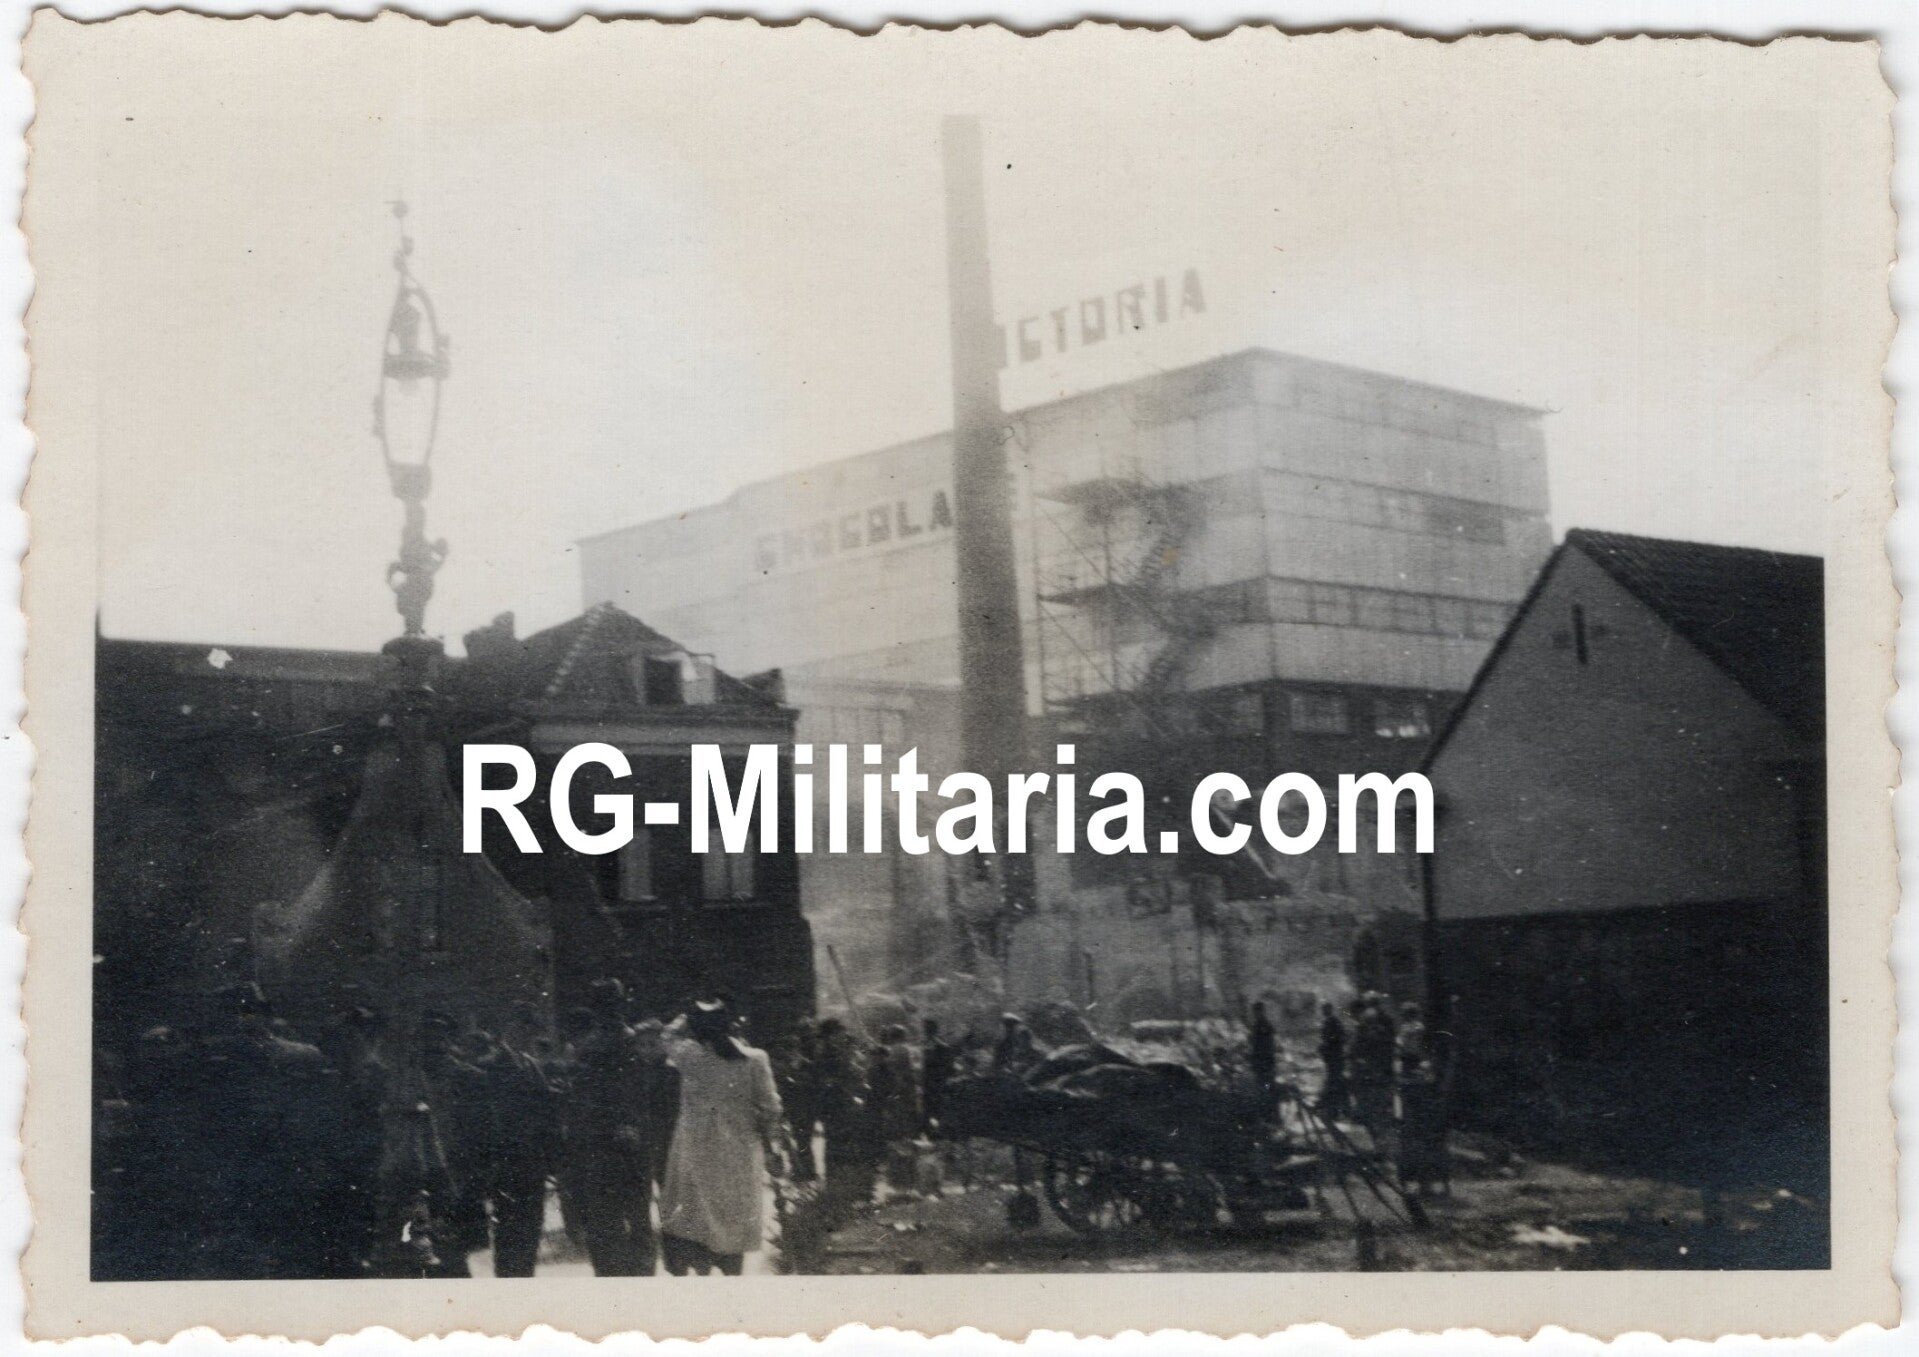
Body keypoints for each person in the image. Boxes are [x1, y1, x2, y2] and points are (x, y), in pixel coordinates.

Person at [659, 1000, 785, 1276]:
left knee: (697, 1209)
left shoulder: (689, 1056)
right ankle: (730, 1270)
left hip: (695, 1148)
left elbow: (667, 1035)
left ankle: (700, 1266)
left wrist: (684, 1017)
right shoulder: (755, 1059)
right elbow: (770, 1109)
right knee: (734, 1211)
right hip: (739, 1149)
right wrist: (772, 1146)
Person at [564, 980, 662, 1276]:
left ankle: (615, 1282)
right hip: (629, 1146)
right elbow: (644, 1095)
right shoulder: (633, 1044)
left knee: (607, 1224)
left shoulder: (585, 1050)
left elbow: (580, 1104)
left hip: (599, 1148)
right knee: (636, 1217)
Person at [919, 1018, 957, 1133]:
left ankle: (932, 1131)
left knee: (932, 1107)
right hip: (935, 1082)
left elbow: (949, 1068)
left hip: (933, 1082)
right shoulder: (940, 1047)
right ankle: (933, 1131)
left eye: (927, 1029)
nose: (926, 1031)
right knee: (934, 1107)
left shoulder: (933, 1047)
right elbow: (950, 1068)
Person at [1316, 1000, 1349, 1120]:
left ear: (1328, 1010)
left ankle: (1334, 1111)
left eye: (1325, 1009)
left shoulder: (1330, 1022)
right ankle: (1340, 1110)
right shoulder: (1334, 1022)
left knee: (1334, 1083)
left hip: (1333, 1058)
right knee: (1336, 1083)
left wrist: (1326, 1046)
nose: (1324, 1012)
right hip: (1335, 1058)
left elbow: (1333, 1039)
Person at [1247, 1001, 1278, 1115]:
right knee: (1266, 1088)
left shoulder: (1261, 1025)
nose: (1255, 1014)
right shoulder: (1263, 1024)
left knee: (1265, 1088)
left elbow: (1260, 1044)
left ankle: (1269, 1115)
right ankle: (1270, 1114)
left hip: (1264, 1063)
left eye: (1256, 1012)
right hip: (1265, 1062)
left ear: (1259, 1011)